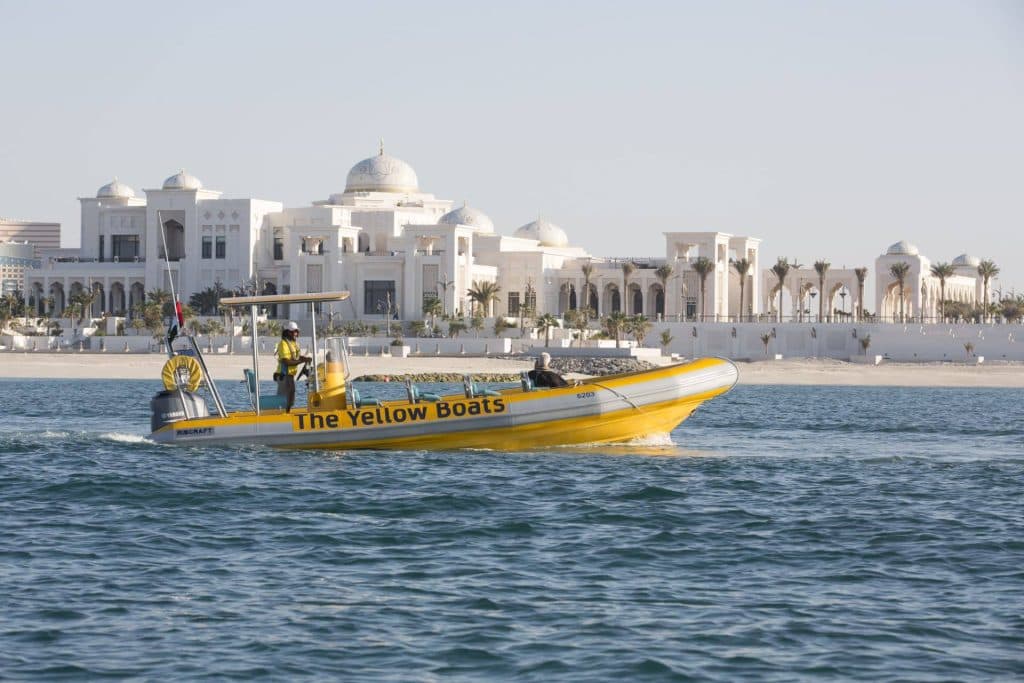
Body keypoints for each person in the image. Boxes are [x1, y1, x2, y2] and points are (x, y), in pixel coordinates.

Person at [275, 321, 311, 411]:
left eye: (297, 331)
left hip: (290, 376)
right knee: (284, 400)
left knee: (291, 398)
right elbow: (286, 361)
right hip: (284, 375)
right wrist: (301, 361)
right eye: (294, 331)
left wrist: (305, 359)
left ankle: (287, 414)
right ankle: (281, 417)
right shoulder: (283, 344)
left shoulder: (295, 344)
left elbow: (297, 357)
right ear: (288, 332)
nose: (296, 333)